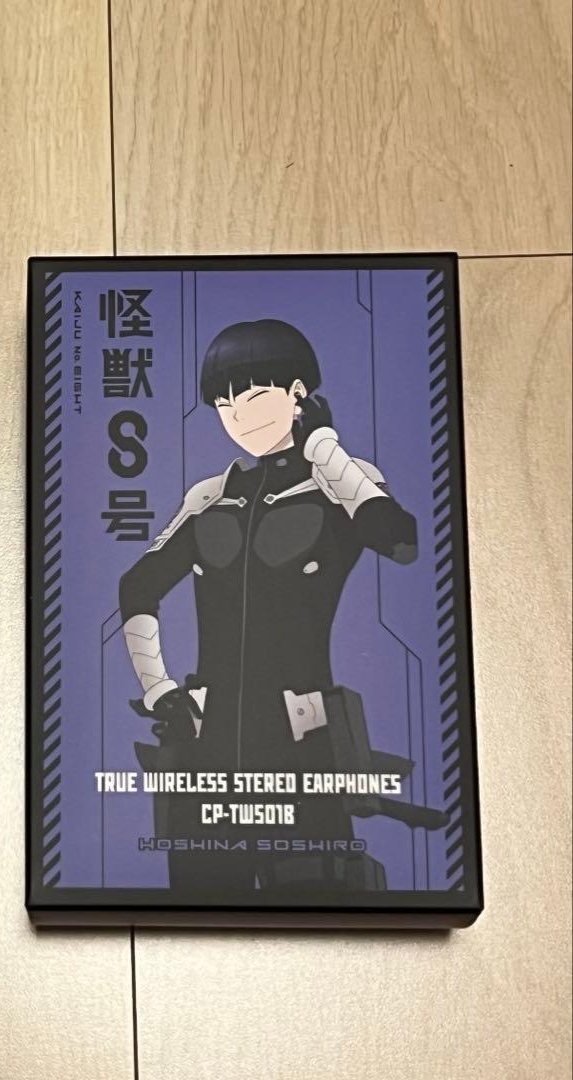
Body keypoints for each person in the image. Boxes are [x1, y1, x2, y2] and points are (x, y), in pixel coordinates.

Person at [118, 318, 422, 893]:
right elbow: (137, 586)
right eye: (224, 404)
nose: (239, 416)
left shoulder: (341, 484)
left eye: (254, 396)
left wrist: (324, 447)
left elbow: (399, 540)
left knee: (319, 904)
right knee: (194, 914)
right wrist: (158, 688)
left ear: (298, 393)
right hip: (205, 753)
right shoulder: (210, 497)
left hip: (302, 750)